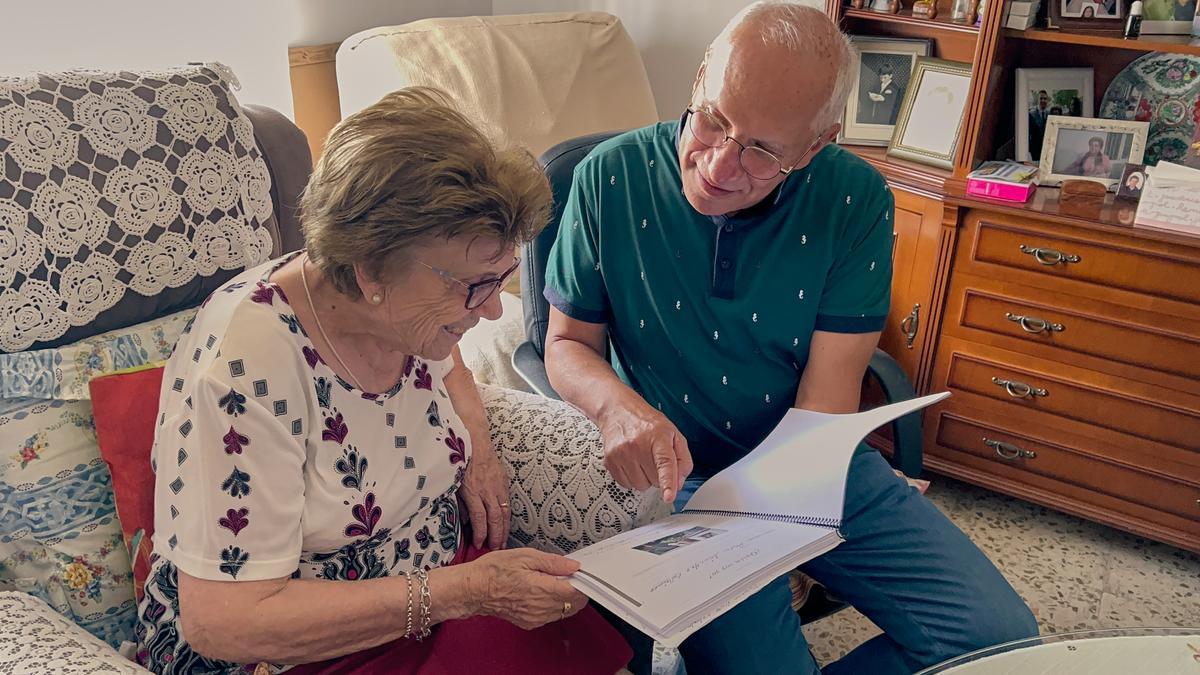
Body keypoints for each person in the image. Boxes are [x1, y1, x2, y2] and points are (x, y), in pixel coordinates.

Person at [542, 3, 1038, 674]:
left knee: (999, 638)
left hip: (805, 460)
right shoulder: (607, 177)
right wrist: (615, 406)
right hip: (675, 480)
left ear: (815, 145)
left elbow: (828, 396)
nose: (719, 164)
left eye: (762, 150)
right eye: (713, 118)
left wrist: (791, 506)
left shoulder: (855, 201)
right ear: (698, 82)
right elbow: (566, 342)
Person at [134, 87, 631, 675]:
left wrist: (478, 448)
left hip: (430, 593)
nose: (495, 311)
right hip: (299, 646)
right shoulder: (243, 371)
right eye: (475, 285)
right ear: (371, 267)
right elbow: (223, 622)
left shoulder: (408, 314)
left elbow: (453, 369)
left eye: (502, 278)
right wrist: (463, 592)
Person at [1029, 89, 1051, 160]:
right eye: (1041, 98)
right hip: (1035, 149)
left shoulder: (1050, 114)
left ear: (1047, 100)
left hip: (1047, 149)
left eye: (1045, 99)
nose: (1043, 100)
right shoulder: (1031, 114)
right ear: (1038, 100)